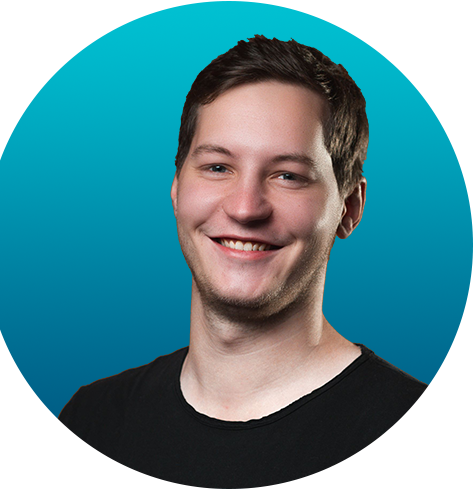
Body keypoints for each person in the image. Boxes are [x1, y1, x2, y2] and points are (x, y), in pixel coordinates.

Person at [47, 36, 447, 489]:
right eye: (218, 167)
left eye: (288, 175)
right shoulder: (90, 424)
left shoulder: (433, 443)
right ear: (177, 188)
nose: (244, 208)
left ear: (349, 208)